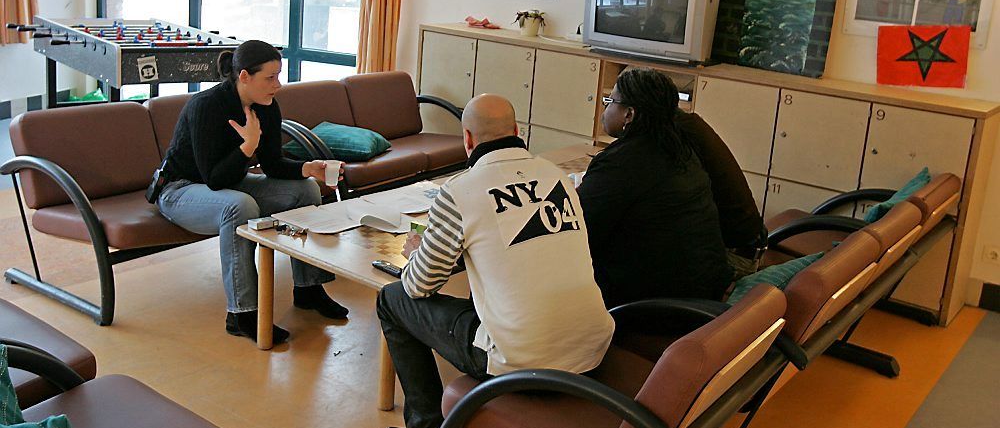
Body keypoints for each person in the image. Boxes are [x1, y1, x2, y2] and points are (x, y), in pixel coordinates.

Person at [377, 94, 614, 428]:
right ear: (517, 130)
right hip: (592, 348)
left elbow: (418, 286)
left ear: (468, 139)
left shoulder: (459, 190)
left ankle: (426, 423)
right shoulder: (557, 177)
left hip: (523, 363)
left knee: (392, 298)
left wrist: (418, 252)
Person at [155, 40, 348, 345]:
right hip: (180, 191)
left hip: (229, 184)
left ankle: (308, 289)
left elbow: (272, 165)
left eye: (278, 76)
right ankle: (242, 313)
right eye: (270, 78)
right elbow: (214, 178)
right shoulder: (206, 106)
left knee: (306, 191)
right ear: (244, 76)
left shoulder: (267, 106)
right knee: (239, 206)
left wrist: (306, 168)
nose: (278, 85)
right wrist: (247, 146)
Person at [577, 68, 731, 308]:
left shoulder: (622, 164)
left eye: (610, 102)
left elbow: (579, 231)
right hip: (704, 292)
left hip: (656, 304)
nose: (605, 110)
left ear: (629, 114)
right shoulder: (681, 151)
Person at [674, 110, 767, 279]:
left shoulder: (674, 136)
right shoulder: (688, 124)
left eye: (612, 102)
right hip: (746, 244)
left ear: (630, 113)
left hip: (732, 258)